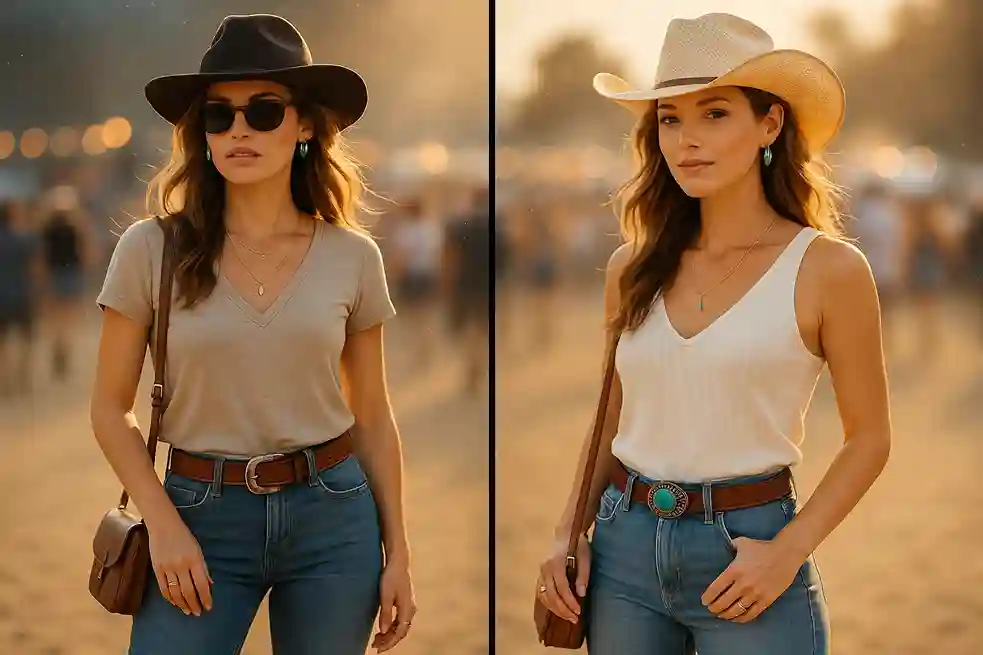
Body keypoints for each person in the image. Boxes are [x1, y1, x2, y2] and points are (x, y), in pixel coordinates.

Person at [536, 14, 891, 655]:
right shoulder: (633, 267)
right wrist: (569, 531)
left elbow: (870, 439)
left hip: (749, 553)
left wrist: (788, 552)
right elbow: (611, 418)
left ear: (770, 124)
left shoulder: (828, 269)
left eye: (715, 114)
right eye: (670, 118)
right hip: (622, 551)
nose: (686, 140)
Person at [90, 14, 415, 654]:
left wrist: (398, 551)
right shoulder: (149, 249)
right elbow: (108, 407)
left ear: (304, 126)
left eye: (264, 111)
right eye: (220, 114)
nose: (240, 128)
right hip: (195, 515)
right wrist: (163, 524)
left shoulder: (352, 257)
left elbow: (372, 415)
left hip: (334, 519)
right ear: (202, 133)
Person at [0, 200, 42, 396]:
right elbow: (35, 268)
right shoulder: (23, 239)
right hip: (22, 294)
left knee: (3, 342)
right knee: (26, 339)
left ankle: (4, 380)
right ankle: (22, 378)